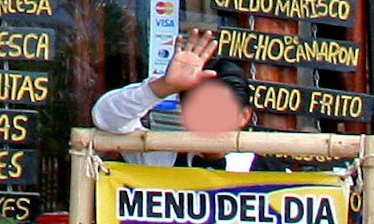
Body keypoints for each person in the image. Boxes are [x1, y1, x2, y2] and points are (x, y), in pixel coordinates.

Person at [89, 26, 260, 168]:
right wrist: (164, 86)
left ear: (244, 116)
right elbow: (107, 118)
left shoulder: (278, 175)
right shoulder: (158, 159)